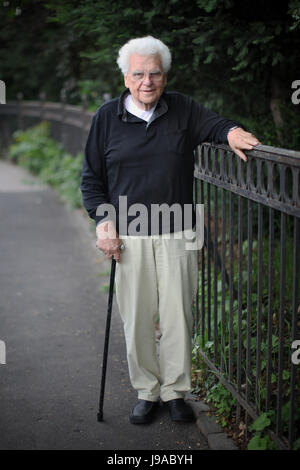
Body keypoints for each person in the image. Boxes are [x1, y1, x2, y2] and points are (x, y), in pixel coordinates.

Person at [80, 36, 260, 425]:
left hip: (179, 229)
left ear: (164, 76)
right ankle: (147, 391)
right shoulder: (107, 118)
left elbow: (215, 124)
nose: (148, 81)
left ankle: (176, 391)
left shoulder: (182, 109)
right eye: (139, 74)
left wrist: (230, 133)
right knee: (138, 316)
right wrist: (103, 222)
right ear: (126, 78)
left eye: (155, 74)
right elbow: (92, 179)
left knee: (179, 315)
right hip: (130, 232)